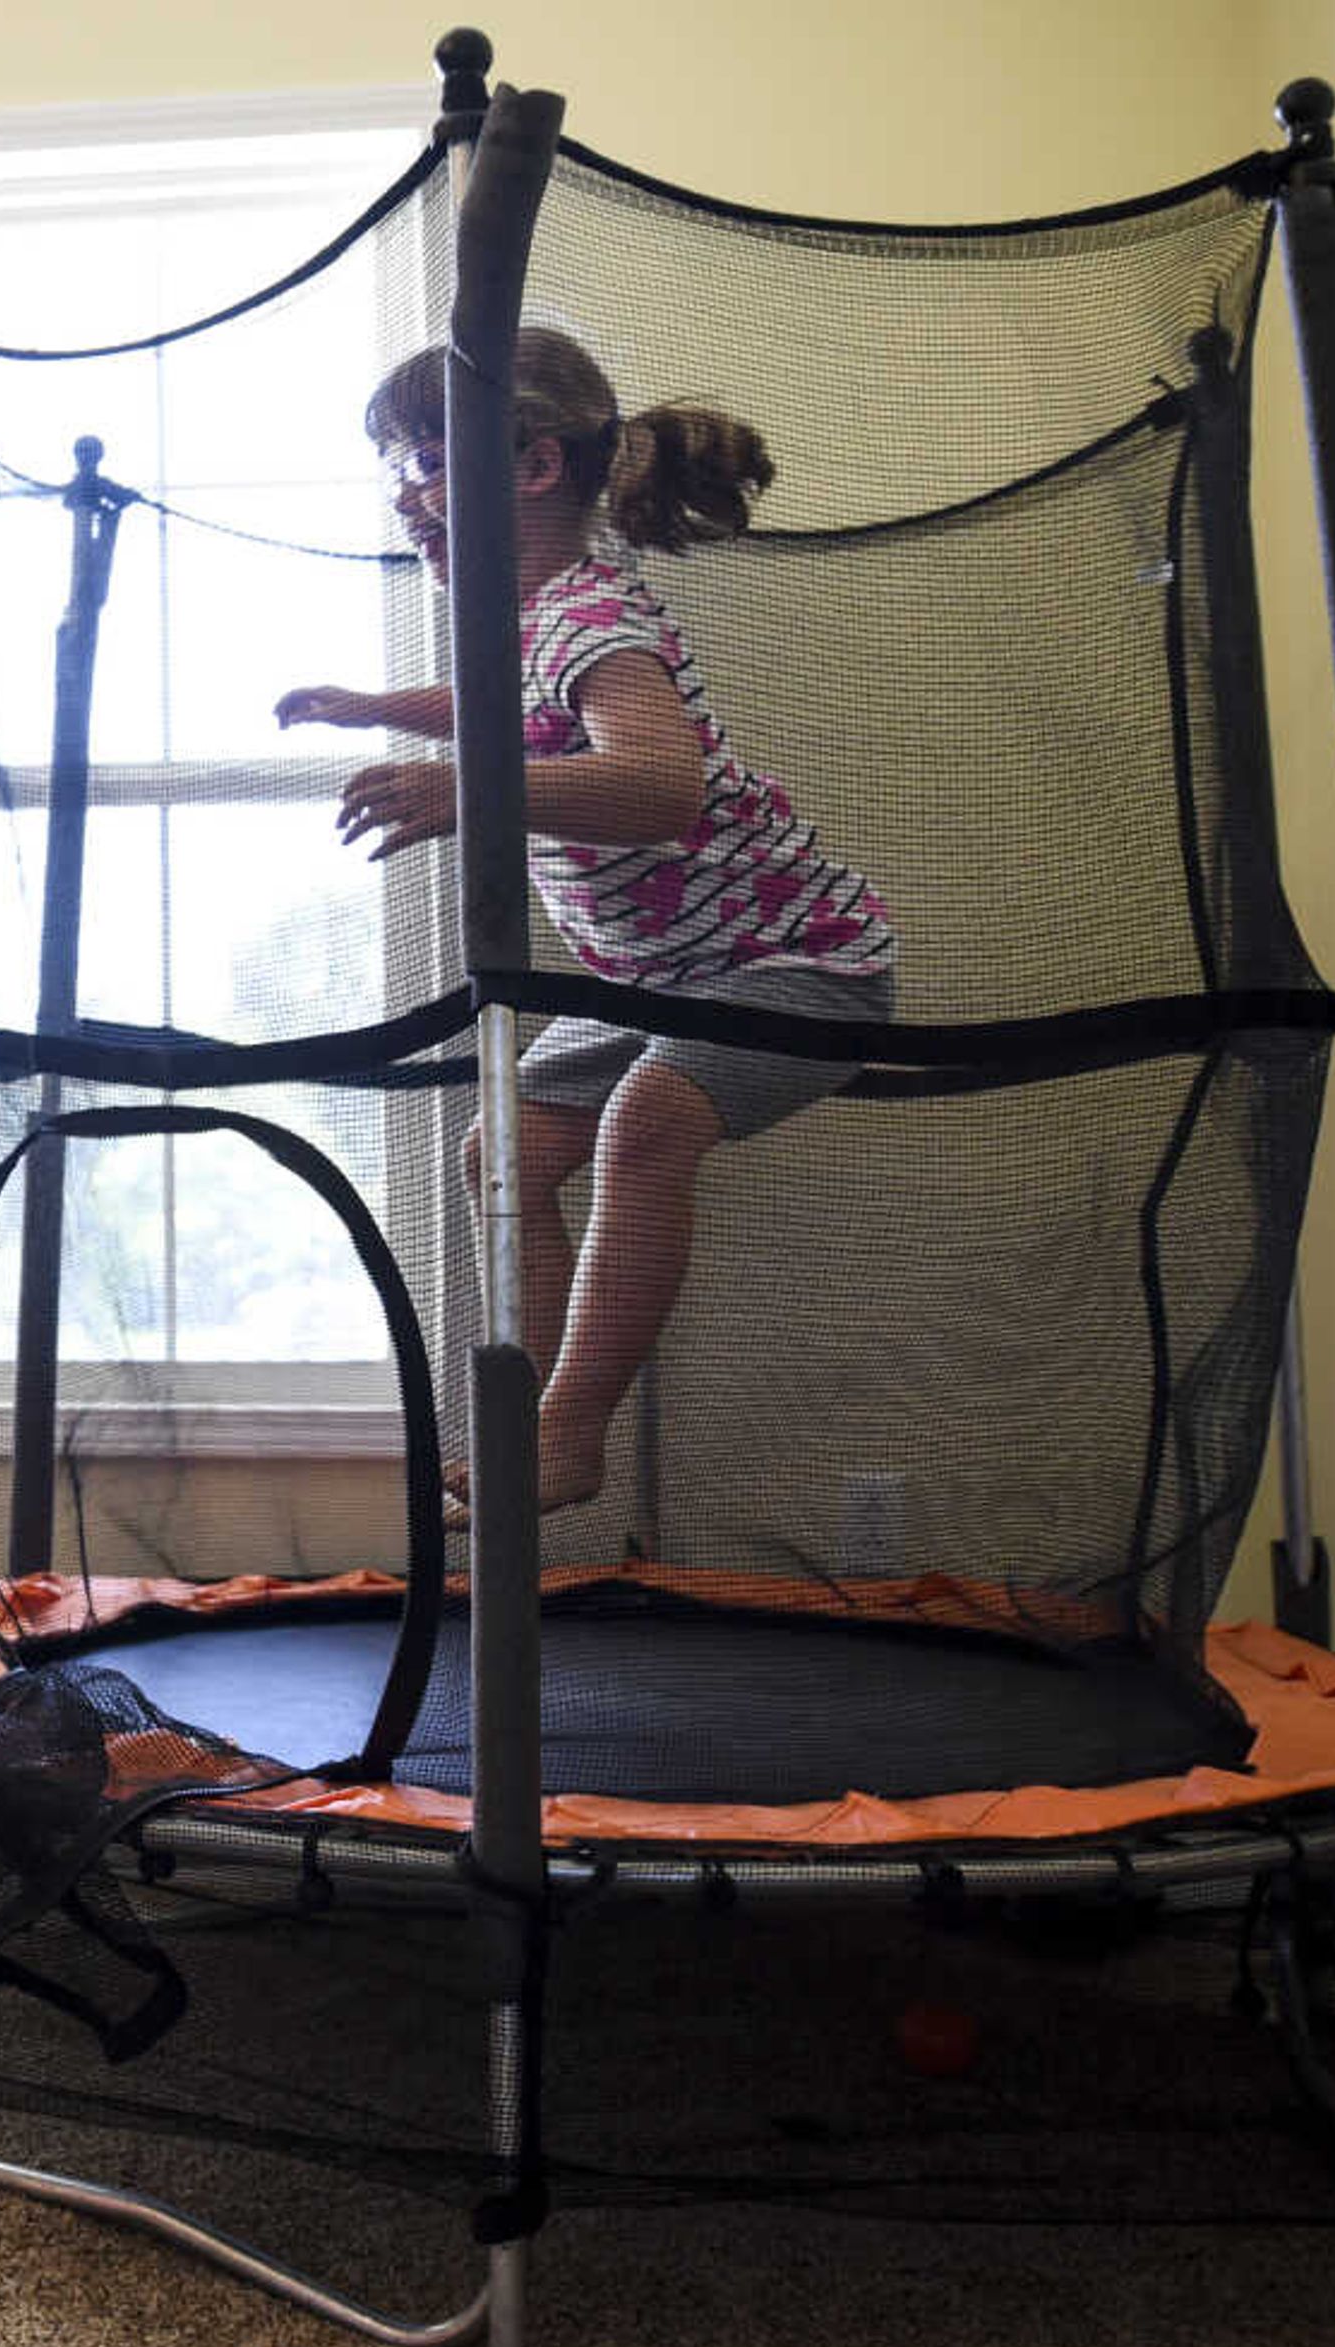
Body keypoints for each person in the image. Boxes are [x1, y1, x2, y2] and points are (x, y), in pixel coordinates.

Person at [275, 327, 894, 1515]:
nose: (407, 498)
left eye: (424, 463)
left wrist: (465, 791)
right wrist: (380, 708)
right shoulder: (533, 614)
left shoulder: (596, 613)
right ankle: (544, 1408)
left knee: (648, 1123)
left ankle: (566, 1431)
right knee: (500, 1149)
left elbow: (663, 788)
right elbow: (496, 702)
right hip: (672, 980)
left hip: (797, 969)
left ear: (532, 468)